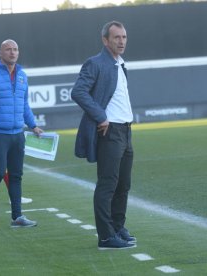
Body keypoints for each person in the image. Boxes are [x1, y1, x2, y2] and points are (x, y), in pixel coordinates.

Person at [71, 21, 137, 250]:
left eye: (124, 37)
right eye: (116, 37)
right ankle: (106, 237)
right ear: (105, 40)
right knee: (108, 184)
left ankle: (118, 228)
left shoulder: (121, 64)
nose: (121, 41)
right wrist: (101, 116)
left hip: (126, 130)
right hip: (110, 132)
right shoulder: (95, 63)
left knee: (123, 185)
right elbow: (78, 92)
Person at [0, 39, 43, 228]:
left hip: (17, 133)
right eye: (8, 49)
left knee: (16, 175)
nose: (12, 52)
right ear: (0, 53)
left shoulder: (22, 75)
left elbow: (24, 104)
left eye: (15, 49)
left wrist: (33, 125)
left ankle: (17, 217)